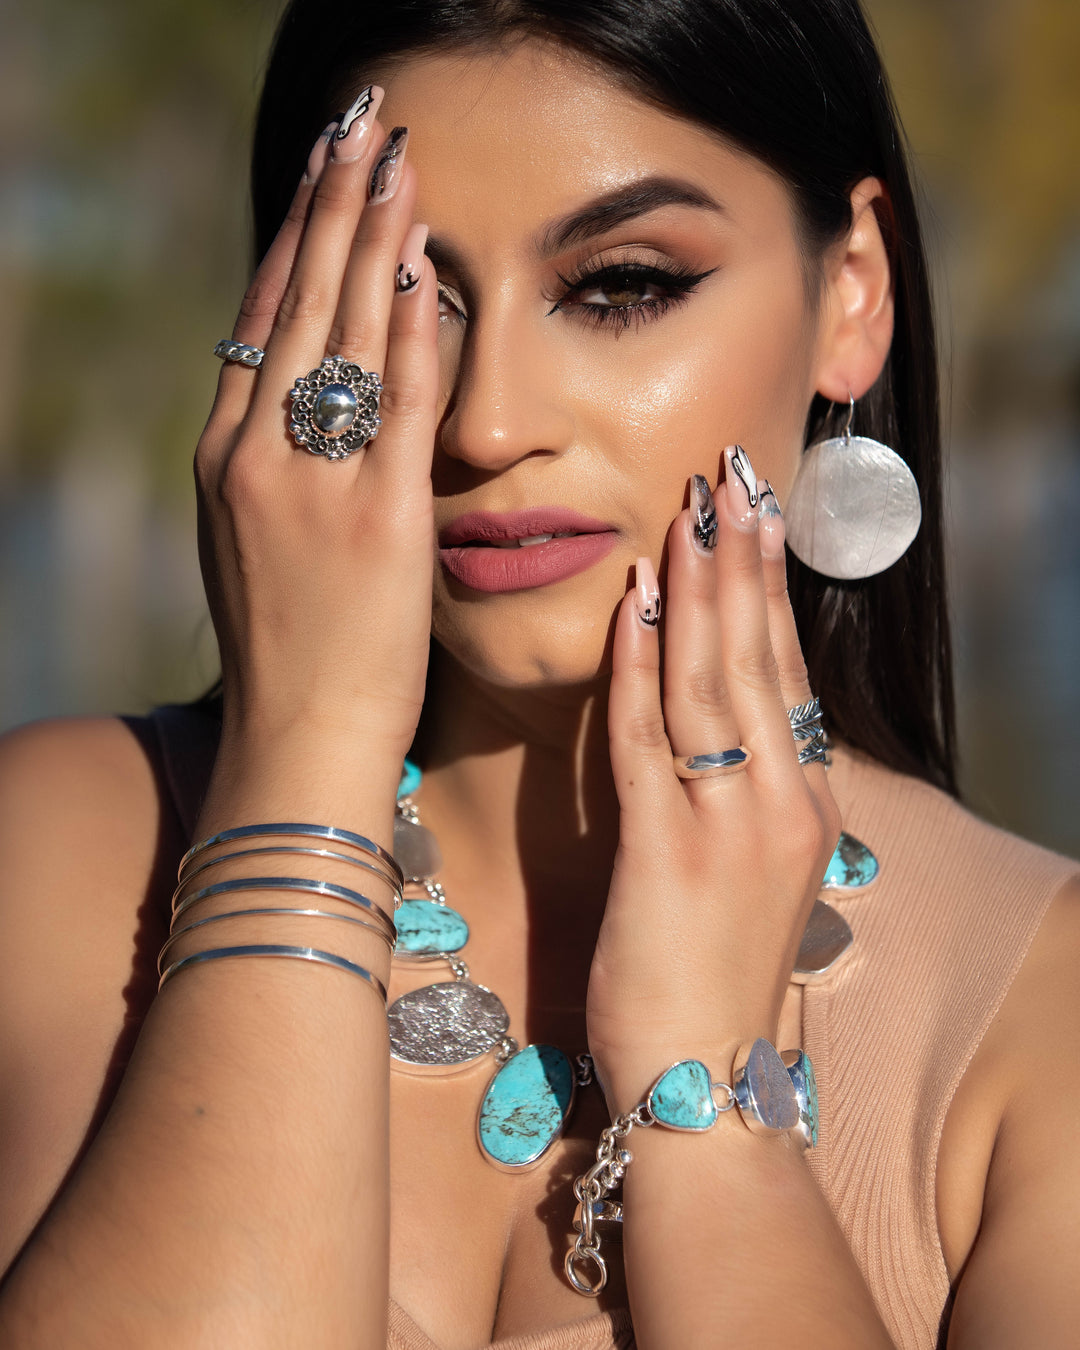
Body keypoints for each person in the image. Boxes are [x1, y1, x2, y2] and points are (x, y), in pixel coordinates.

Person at [0, 0, 1077, 1346]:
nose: (487, 421)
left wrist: (707, 1107)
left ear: (851, 291)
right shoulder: (59, 858)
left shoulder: (1040, 1027)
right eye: (409, 300)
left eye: (623, 284)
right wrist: (307, 762)